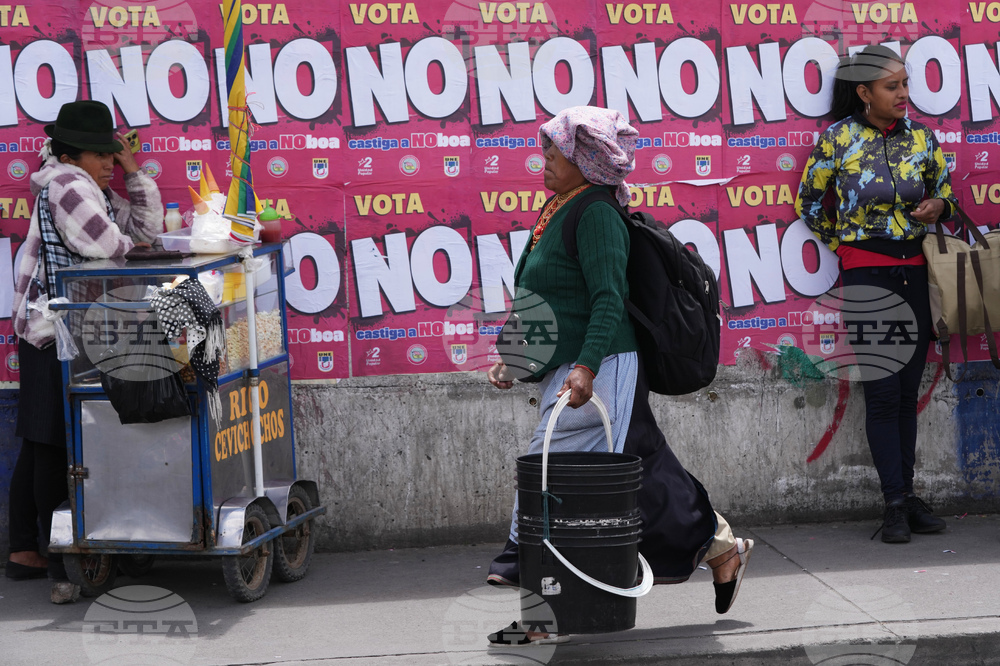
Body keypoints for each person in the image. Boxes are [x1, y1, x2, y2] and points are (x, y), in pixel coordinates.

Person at [485, 106, 753, 643]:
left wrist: (586, 367)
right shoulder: (560, 207)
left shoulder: (597, 214)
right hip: (576, 367)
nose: (544, 162)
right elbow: (552, 293)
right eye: (545, 151)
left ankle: (520, 561)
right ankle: (720, 546)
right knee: (641, 476)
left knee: (546, 470)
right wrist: (515, 357)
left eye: (554, 153)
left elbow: (608, 298)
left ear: (585, 161)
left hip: (602, 366)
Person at [795, 45, 953, 544]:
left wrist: (938, 207)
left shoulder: (922, 138)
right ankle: (894, 505)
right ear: (864, 93)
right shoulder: (839, 139)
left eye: (906, 84)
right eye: (892, 86)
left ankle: (907, 496)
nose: (904, 94)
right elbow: (809, 203)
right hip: (868, 278)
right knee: (884, 395)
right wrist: (846, 246)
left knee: (907, 395)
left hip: (916, 274)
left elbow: (946, 192)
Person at [6, 100, 163, 602]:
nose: (109, 163)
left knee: (41, 441)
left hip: (63, 329)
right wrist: (133, 242)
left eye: (111, 154)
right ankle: (60, 558)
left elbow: (144, 230)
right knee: (54, 443)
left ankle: (24, 549)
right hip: (54, 332)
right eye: (102, 154)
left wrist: (133, 172)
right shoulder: (69, 185)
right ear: (72, 155)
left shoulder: (90, 186)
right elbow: (110, 245)